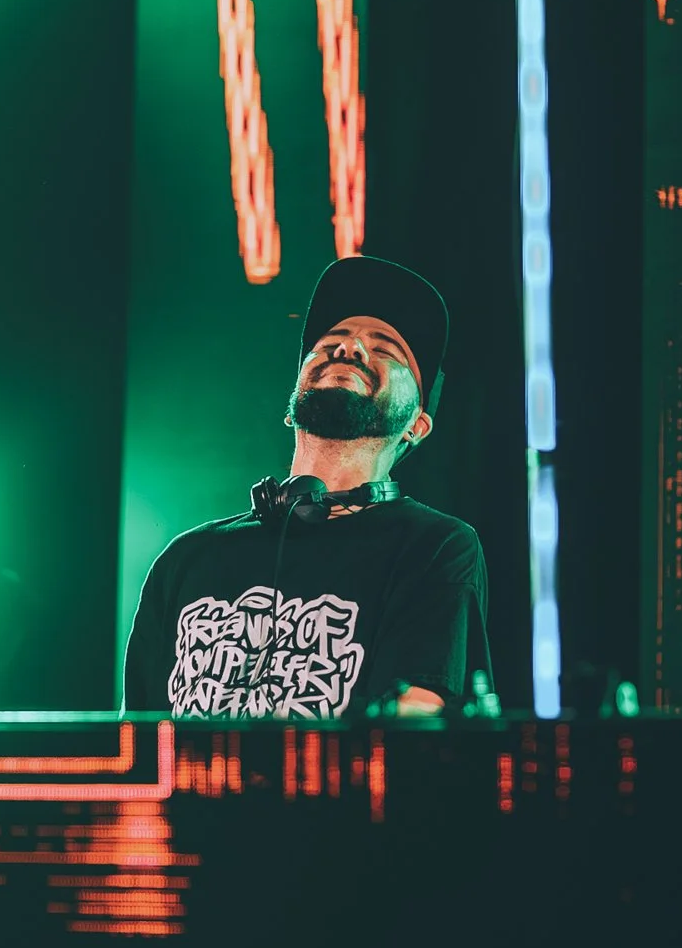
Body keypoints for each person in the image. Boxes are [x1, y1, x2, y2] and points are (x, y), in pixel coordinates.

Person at [124, 256, 492, 720]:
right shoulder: (187, 559)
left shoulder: (434, 547)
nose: (351, 348)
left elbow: (413, 730)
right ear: (291, 405)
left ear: (416, 427)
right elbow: (134, 747)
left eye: (385, 350)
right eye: (330, 342)